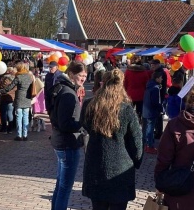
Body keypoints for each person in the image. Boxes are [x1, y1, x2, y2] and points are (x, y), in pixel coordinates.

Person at [80, 69, 143, 210]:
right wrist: (137, 161)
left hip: (96, 164)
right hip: (121, 167)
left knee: (98, 206)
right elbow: (136, 143)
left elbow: (85, 126)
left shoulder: (89, 105)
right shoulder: (126, 110)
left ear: (103, 83)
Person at [49, 61, 87, 210]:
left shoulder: (64, 89)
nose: (83, 78)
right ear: (71, 74)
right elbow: (65, 123)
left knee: (60, 186)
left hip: (62, 142)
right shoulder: (68, 93)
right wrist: (82, 124)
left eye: (85, 75)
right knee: (64, 189)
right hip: (67, 144)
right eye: (80, 75)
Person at [0, 62, 33, 141]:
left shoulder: (18, 77)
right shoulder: (29, 77)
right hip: (27, 99)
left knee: (19, 117)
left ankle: (19, 135)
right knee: (25, 117)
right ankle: (25, 135)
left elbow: (9, 87)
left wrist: (0, 91)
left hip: (19, 99)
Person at [142, 71, 164, 154]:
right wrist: (161, 108)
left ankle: (146, 144)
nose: (162, 79)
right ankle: (149, 146)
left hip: (146, 110)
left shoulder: (149, 85)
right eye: (160, 77)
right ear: (157, 78)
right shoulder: (155, 88)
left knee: (147, 128)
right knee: (150, 129)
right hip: (151, 111)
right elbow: (155, 102)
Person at [0, 67, 16, 134]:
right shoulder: (15, 78)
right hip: (12, 97)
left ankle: (4, 128)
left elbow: (1, 86)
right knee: (10, 112)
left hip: (4, 97)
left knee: (3, 113)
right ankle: (10, 129)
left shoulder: (4, 78)